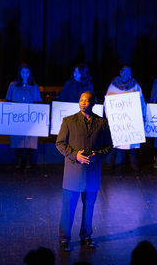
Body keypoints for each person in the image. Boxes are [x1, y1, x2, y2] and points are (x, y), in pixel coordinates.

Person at [56, 91, 112, 251]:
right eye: (81, 100)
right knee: (68, 208)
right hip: (73, 172)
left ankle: (86, 236)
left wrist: (97, 156)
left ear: (93, 103)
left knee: (89, 207)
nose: (82, 103)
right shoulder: (69, 121)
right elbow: (60, 143)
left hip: (92, 172)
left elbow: (109, 146)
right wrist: (75, 155)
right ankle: (64, 238)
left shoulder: (102, 123)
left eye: (86, 101)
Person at [106, 65, 146, 172]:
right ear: (120, 72)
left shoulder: (135, 86)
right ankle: (111, 165)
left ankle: (133, 165)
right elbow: (107, 103)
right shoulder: (113, 86)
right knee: (115, 145)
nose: (126, 75)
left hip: (130, 121)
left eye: (128, 73)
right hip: (118, 121)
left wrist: (142, 116)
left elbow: (141, 102)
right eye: (124, 72)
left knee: (132, 144)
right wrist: (109, 116)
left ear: (131, 74)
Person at [6, 63, 42, 169]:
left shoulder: (34, 86)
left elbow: (38, 102)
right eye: (23, 72)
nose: (25, 74)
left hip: (30, 117)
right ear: (19, 73)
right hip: (17, 117)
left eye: (27, 72)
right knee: (17, 138)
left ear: (30, 73)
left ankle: (28, 160)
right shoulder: (13, 85)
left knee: (30, 138)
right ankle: (19, 159)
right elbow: (8, 100)